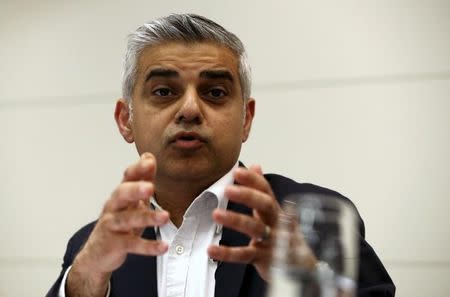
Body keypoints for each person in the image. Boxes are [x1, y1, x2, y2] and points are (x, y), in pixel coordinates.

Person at [46, 13, 395, 297]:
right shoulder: (92, 247)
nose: (190, 109)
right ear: (126, 121)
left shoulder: (313, 221)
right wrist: (85, 280)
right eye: (164, 91)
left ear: (246, 119)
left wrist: (309, 284)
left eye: (214, 92)